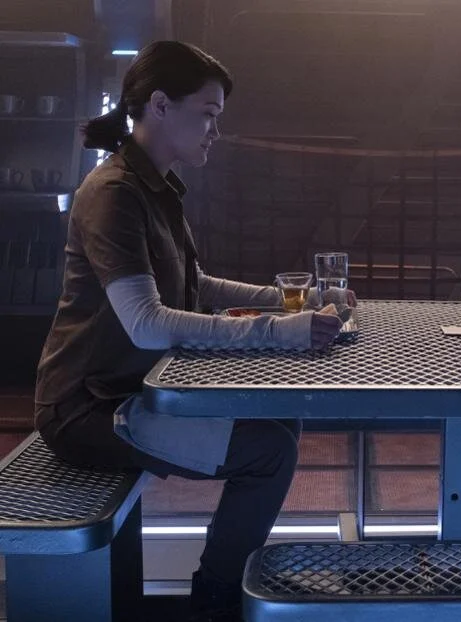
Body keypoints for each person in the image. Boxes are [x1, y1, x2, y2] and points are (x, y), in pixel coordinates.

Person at [34, 41, 346, 621]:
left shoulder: (153, 185)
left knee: (280, 417)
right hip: (89, 408)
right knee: (268, 451)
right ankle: (217, 597)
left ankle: (224, 577)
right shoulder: (114, 194)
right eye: (207, 114)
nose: (215, 132)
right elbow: (147, 324)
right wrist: (282, 331)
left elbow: (193, 284)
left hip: (130, 392)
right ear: (159, 105)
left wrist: (298, 302)